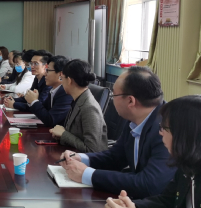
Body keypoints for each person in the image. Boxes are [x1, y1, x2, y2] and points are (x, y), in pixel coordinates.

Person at [59, 66, 174, 199]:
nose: (112, 100)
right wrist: (81, 158)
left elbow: (149, 184)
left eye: (114, 95)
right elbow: (115, 157)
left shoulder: (167, 130)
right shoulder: (135, 119)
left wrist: (87, 174)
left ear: (130, 101)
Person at [49, 59, 107, 153]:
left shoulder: (89, 108)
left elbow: (92, 149)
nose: (61, 82)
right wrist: (61, 136)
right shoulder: (78, 99)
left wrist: (64, 134)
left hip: (85, 160)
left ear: (69, 80)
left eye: (62, 79)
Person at [23, 55, 73, 127]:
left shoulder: (65, 93)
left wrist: (34, 101)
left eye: (48, 70)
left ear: (60, 74)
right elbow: (44, 110)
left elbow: (50, 120)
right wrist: (31, 101)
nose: (45, 74)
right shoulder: (54, 90)